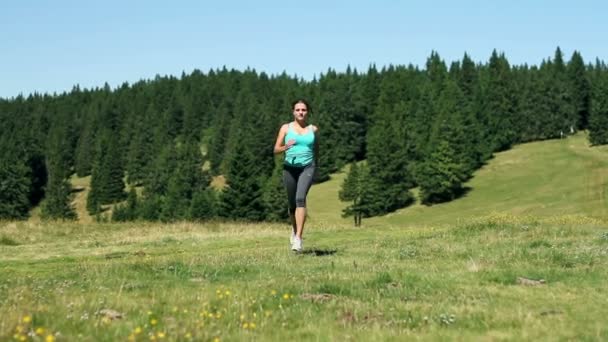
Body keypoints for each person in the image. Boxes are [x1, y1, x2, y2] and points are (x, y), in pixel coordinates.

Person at [273, 99, 319, 252]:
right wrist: (286, 147)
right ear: (293, 112)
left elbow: (316, 149)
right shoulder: (286, 128)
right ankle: (294, 230)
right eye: (298, 110)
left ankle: (298, 238)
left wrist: (315, 166)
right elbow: (276, 149)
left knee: (300, 199)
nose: (301, 112)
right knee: (292, 204)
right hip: (289, 168)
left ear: (307, 112)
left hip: (307, 167)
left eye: (304, 110)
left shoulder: (313, 129)